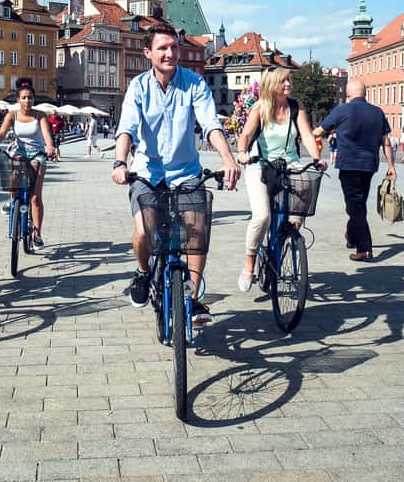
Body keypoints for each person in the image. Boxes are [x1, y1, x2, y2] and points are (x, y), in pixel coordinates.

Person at [111, 25, 240, 326]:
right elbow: (127, 128)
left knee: (196, 235)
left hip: (186, 173)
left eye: (174, 48)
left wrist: (228, 158)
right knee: (145, 230)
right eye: (162, 48)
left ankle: (193, 300)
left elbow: (210, 124)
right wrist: (119, 163)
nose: (170, 53)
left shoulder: (194, 83)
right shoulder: (139, 87)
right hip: (147, 173)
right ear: (148, 53)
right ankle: (143, 272)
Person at [234, 68, 326, 291]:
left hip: (290, 163)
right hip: (261, 165)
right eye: (283, 80)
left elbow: (306, 134)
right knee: (262, 216)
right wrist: (242, 151)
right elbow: (246, 134)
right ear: (272, 84)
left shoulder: (296, 107)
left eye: (289, 80)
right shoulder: (260, 107)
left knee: (305, 191)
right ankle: (250, 263)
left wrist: (316, 158)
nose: (288, 84)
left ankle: (290, 234)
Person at [313, 80, 395, 261]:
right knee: (358, 204)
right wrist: (391, 167)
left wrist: (308, 134)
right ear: (365, 94)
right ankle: (352, 236)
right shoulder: (378, 112)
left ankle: (364, 248)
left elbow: (318, 132)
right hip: (369, 166)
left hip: (349, 165)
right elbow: (386, 142)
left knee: (356, 207)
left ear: (348, 95)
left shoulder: (341, 110)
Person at [0, 78, 57, 248]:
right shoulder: (12, 115)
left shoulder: (40, 115)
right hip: (19, 152)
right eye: (24, 98)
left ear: (34, 99)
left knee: (34, 196)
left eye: (30, 98)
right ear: (18, 100)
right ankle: (12, 200)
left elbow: (47, 134)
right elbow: (2, 132)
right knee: (14, 169)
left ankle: (37, 233)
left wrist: (50, 147)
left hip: (37, 154)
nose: (27, 101)